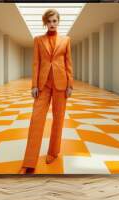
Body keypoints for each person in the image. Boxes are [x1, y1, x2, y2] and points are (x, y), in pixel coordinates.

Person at [19, 8, 74, 174]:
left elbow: (68, 63)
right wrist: (34, 85)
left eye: (54, 21)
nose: (52, 24)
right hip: (43, 85)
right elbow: (36, 63)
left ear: (58, 22)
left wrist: (70, 85)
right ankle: (29, 162)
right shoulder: (38, 40)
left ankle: (53, 152)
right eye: (49, 21)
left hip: (61, 84)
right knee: (36, 121)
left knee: (59, 119)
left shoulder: (66, 40)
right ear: (45, 23)